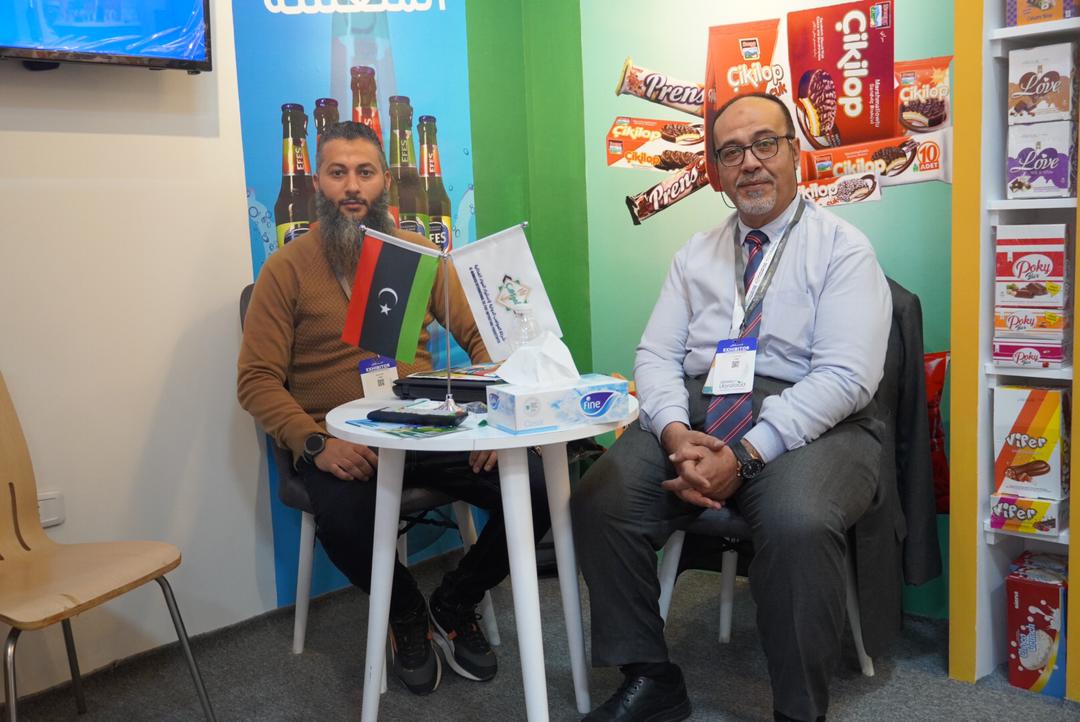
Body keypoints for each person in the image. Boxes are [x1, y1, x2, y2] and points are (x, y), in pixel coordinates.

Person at [571, 94, 891, 722]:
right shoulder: (695, 254)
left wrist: (745, 454)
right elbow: (656, 354)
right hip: (701, 409)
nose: (750, 162)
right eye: (731, 152)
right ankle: (651, 677)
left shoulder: (842, 249)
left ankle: (798, 711)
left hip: (813, 419)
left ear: (794, 154)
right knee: (601, 498)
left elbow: (846, 377)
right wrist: (672, 431)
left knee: (798, 522)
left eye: (765, 143)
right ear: (716, 171)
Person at [238, 121, 551, 695]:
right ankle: (404, 608)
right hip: (342, 441)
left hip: (423, 426)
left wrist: (493, 421)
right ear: (317, 182)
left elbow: (485, 339)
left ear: (385, 180)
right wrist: (315, 444)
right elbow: (256, 381)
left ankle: (455, 600)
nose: (352, 187)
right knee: (344, 520)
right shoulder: (285, 269)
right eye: (338, 173)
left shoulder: (417, 256)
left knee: (537, 487)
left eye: (365, 172)